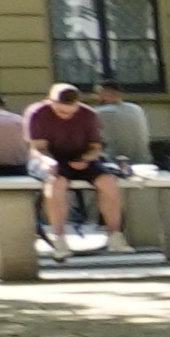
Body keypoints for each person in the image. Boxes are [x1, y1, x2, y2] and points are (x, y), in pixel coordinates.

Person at [26, 79, 126, 253]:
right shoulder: (38, 113)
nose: (66, 115)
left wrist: (86, 159)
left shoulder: (88, 114)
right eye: (61, 112)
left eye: (70, 112)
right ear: (51, 102)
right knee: (56, 184)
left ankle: (115, 236)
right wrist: (48, 161)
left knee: (108, 182)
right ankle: (60, 239)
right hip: (49, 158)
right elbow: (38, 148)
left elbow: (95, 147)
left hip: (81, 157)